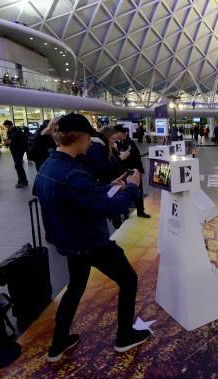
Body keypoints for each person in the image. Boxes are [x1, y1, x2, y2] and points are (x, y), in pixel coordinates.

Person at [33, 113, 151, 362]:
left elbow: (81, 199)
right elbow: (106, 208)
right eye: (89, 137)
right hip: (89, 242)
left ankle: (58, 343)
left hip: (69, 242)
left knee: (75, 287)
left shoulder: (49, 166)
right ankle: (124, 336)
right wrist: (131, 187)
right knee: (128, 279)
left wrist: (110, 187)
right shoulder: (72, 174)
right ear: (80, 137)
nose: (90, 143)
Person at [114, 124, 150, 218]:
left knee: (138, 190)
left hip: (133, 171)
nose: (115, 135)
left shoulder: (130, 143)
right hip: (124, 172)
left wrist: (141, 171)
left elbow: (137, 158)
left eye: (116, 133)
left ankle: (140, 210)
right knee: (124, 190)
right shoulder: (118, 143)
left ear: (122, 133)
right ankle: (125, 211)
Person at [3, 120, 29, 187]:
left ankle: (22, 181)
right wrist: (7, 143)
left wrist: (11, 141)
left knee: (18, 165)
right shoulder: (9, 132)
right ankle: (23, 181)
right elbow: (10, 140)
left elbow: (21, 140)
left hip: (19, 150)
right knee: (18, 165)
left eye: (8, 126)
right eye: (6, 127)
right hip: (13, 151)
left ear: (11, 125)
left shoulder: (18, 131)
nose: (7, 128)